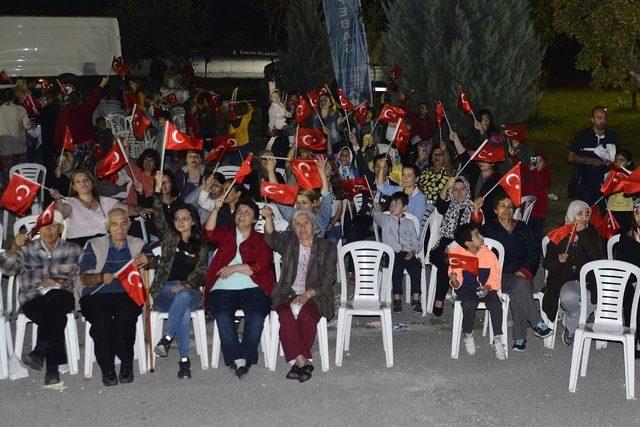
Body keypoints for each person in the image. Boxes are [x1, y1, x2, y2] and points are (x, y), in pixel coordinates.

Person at [0, 211, 82, 385]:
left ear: (61, 228)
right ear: (39, 228)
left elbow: (81, 280)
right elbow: (8, 270)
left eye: (53, 226)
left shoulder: (74, 250)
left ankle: (40, 350)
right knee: (55, 316)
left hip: (63, 295)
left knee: (55, 298)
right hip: (33, 299)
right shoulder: (27, 249)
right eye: (44, 226)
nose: (48, 230)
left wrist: (61, 281)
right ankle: (52, 368)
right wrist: (13, 246)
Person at [79, 208, 152, 386]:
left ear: (129, 225)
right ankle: (108, 367)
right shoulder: (94, 245)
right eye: (114, 224)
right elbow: (84, 278)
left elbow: (153, 260)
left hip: (127, 293)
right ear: (107, 227)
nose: (119, 228)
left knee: (125, 318)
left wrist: (148, 259)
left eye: (123, 223)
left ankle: (126, 364)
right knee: (102, 321)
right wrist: (100, 277)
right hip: (96, 294)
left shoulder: (137, 244)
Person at [203, 197, 275, 378]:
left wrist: (234, 268)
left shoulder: (260, 239)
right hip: (223, 288)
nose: (242, 215)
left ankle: (247, 355)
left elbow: (263, 265)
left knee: (257, 314)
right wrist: (215, 209)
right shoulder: (227, 234)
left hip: (253, 286)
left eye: (247, 213)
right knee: (221, 314)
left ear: (254, 220)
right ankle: (237, 359)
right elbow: (209, 234)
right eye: (240, 211)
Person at [262, 207, 336, 382]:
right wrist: (268, 217)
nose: (302, 228)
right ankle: (302, 361)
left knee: (307, 316)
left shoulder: (327, 247)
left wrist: (308, 294)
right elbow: (271, 238)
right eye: (297, 224)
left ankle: (298, 362)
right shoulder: (290, 243)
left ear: (314, 225)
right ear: (293, 228)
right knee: (286, 315)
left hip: (315, 295)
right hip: (287, 293)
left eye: (306, 223)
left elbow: (329, 277)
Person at [473, 194, 553, 351]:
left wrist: (525, 270)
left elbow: (534, 251)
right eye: (502, 206)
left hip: (522, 273)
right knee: (521, 285)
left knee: (520, 286)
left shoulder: (522, 227)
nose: (507, 210)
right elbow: (472, 234)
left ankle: (520, 338)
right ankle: (536, 322)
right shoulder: (489, 228)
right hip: (498, 275)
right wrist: (476, 212)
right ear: (496, 210)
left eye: (510, 207)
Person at [149, 172, 208, 378]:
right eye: (177, 219)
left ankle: (167, 339)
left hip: (189, 291)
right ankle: (184, 360)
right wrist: (157, 189)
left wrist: (187, 284)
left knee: (182, 300)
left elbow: (201, 271)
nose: (181, 222)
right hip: (164, 290)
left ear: (193, 221)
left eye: (185, 218)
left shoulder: (200, 244)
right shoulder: (169, 237)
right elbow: (157, 214)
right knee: (181, 307)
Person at [543, 200, 602, 345]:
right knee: (569, 296)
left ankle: (571, 325)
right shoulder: (561, 232)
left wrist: (582, 236)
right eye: (579, 214)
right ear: (571, 215)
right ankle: (575, 321)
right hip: (564, 279)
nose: (584, 218)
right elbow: (547, 263)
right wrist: (558, 259)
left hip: (588, 280)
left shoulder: (591, 232)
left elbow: (596, 257)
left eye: (586, 214)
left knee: (596, 299)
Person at [448, 223, 506, 360]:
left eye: (479, 233)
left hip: (486, 288)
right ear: (468, 243)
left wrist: (487, 288)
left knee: (496, 305)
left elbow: (495, 276)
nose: (481, 236)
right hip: (466, 288)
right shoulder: (457, 254)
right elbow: (456, 281)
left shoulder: (489, 255)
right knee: (468, 304)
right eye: (477, 235)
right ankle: (468, 334)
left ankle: (497, 339)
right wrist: (454, 281)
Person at [51, 169, 151, 247]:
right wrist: (58, 200)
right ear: (74, 187)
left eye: (86, 180)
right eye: (78, 181)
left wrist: (139, 210)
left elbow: (128, 209)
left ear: (92, 182)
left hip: (103, 244)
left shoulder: (105, 201)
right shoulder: (70, 202)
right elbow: (61, 213)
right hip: (79, 245)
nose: (83, 183)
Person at [430, 177, 474, 316]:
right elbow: (439, 203)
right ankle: (440, 298)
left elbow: (473, 233)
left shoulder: (473, 209)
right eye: (455, 189)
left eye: (462, 189)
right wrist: (445, 187)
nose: (459, 193)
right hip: (442, 245)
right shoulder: (449, 205)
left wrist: (455, 245)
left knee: (449, 261)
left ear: (468, 190)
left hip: (463, 246)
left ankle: (440, 299)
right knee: (445, 262)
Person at [373, 192, 423, 314]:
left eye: (396, 204)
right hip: (392, 254)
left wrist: (413, 251)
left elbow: (414, 241)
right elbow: (377, 217)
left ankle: (416, 298)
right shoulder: (385, 220)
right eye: (391, 204)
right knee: (397, 267)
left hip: (407, 253)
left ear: (404, 208)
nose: (392, 206)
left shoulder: (410, 223)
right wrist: (376, 210)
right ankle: (396, 298)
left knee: (416, 266)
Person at [568, 106, 620, 205]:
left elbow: (620, 158)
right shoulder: (583, 136)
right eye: (599, 118)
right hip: (586, 182)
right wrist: (588, 160)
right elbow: (571, 157)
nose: (603, 121)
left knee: (604, 213)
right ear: (592, 120)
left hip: (606, 183)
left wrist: (611, 161)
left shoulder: (612, 136)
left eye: (605, 118)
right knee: (587, 211)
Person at [54, 76, 109, 165]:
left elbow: (58, 131)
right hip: (84, 148)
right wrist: (102, 85)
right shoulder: (83, 110)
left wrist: (59, 147)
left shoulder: (63, 112)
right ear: (79, 99)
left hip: (69, 148)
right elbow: (93, 99)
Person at [615, 202, 640, 357]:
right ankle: (633, 337)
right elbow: (623, 262)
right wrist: (634, 279)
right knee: (631, 294)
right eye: (638, 213)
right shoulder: (627, 234)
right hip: (631, 278)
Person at [376, 164, 429, 232]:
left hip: (411, 235)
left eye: (409, 175)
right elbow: (381, 187)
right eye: (403, 175)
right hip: (395, 230)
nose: (404, 178)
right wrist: (382, 168)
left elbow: (415, 221)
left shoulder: (420, 198)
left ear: (416, 179)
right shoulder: (399, 190)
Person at [0, 87, 31, 188]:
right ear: (13, 97)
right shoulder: (21, 109)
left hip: (5, 149)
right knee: (21, 176)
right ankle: (21, 197)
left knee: (7, 176)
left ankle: (8, 200)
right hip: (20, 148)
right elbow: (28, 126)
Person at [523, 151, 551, 245]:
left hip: (538, 212)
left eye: (540, 161)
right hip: (526, 210)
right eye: (535, 160)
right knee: (525, 235)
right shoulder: (528, 172)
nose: (538, 163)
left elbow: (541, 183)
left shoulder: (545, 174)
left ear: (545, 163)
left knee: (536, 237)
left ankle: (535, 257)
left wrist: (533, 170)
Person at [608, 149, 635, 231]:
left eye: (621, 160)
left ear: (628, 162)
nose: (618, 163)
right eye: (616, 160)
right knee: (612, 232)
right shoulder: (611, 173)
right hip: (612, 208)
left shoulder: (631, 175)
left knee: (625, 232)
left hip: (626, 209)